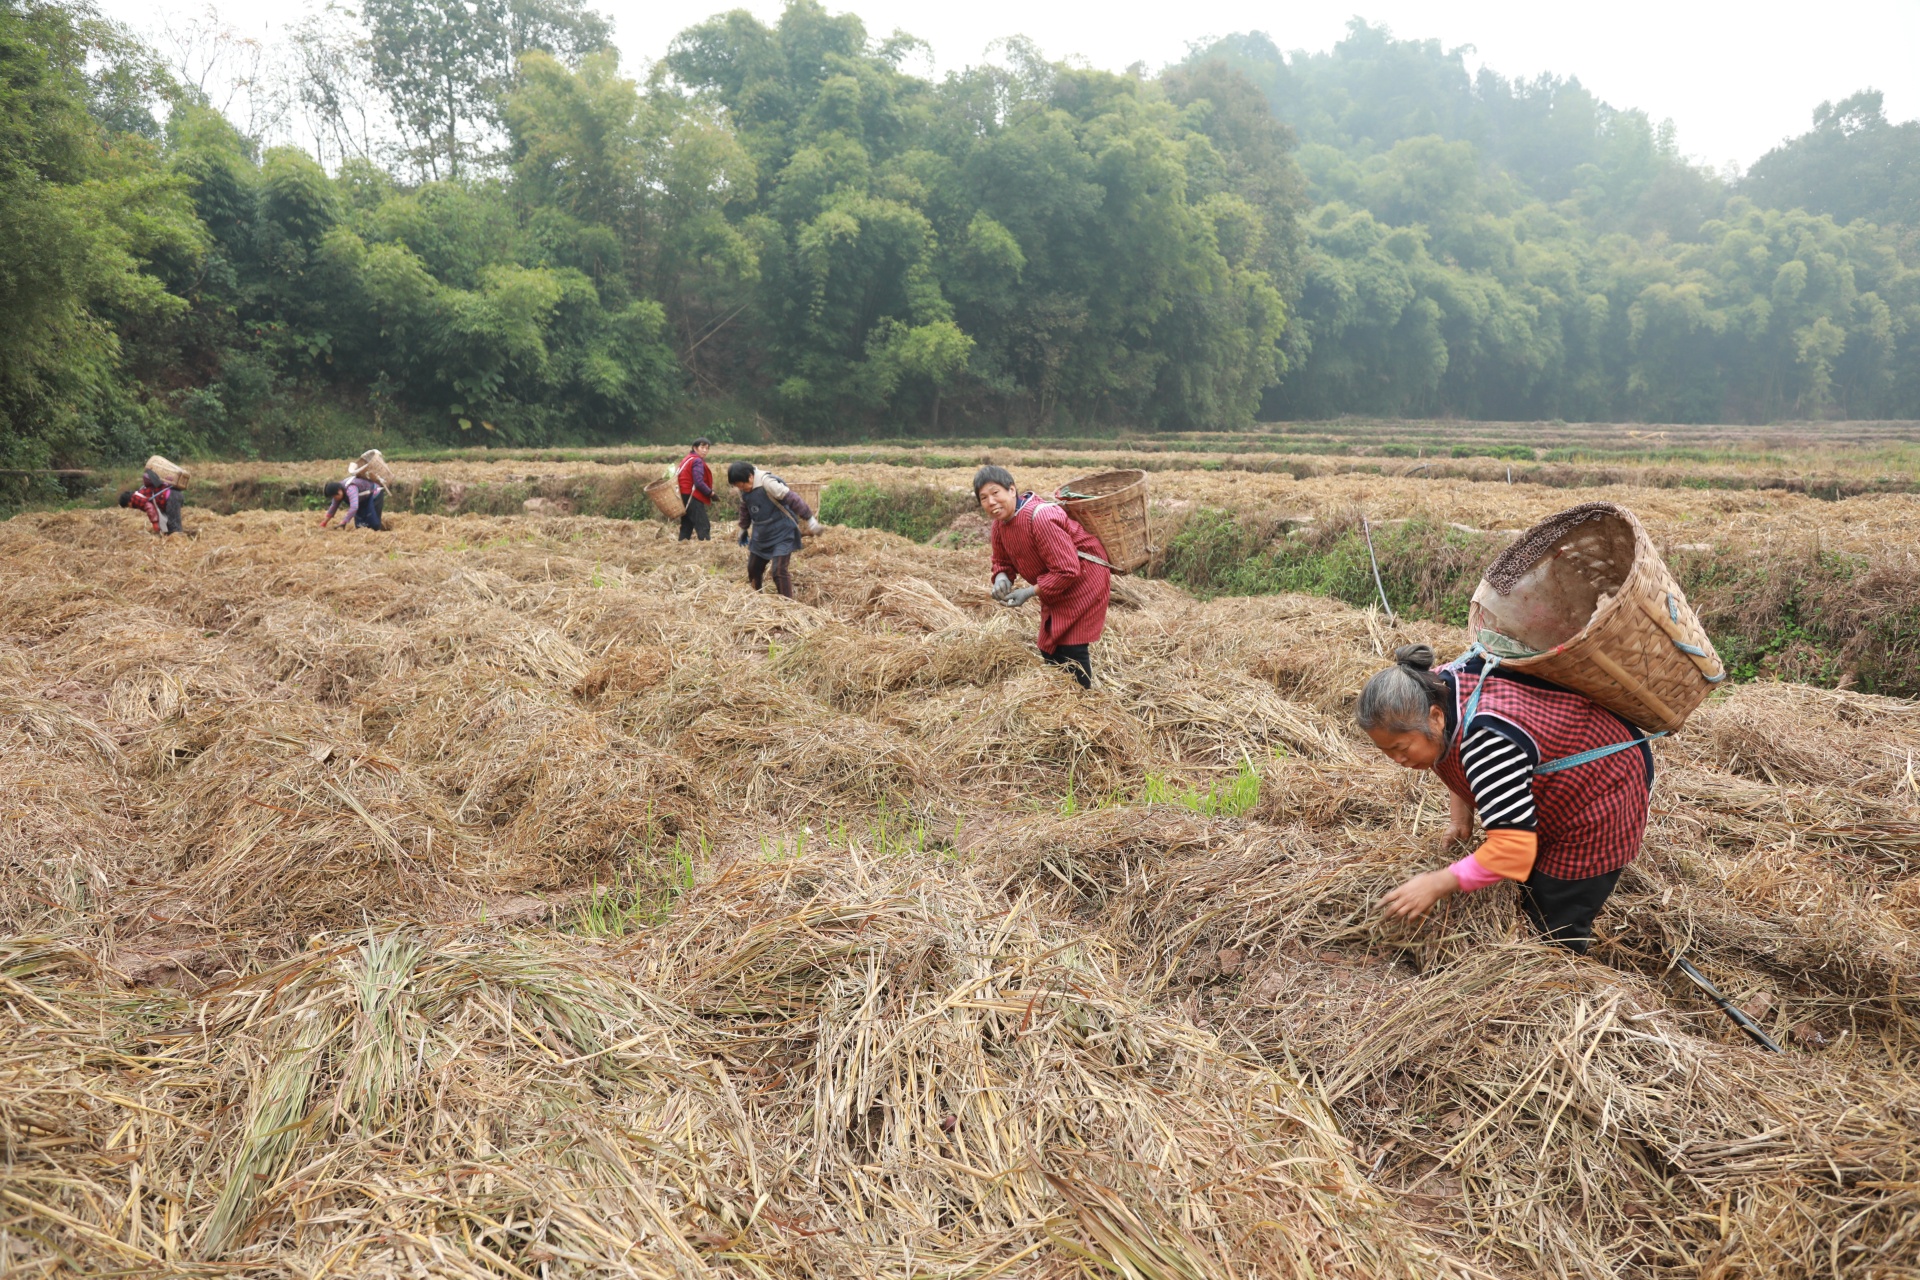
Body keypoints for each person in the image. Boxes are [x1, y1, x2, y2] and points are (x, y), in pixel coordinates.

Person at [1359, 644, 1654, 954]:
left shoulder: (1485, 741)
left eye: (1402, 748)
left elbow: (1513, 851)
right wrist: (1461, 816)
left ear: (1434, 718)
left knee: (1552, 919)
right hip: (1555, 775)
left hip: (1603, 791)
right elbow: (1447, 747)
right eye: (1386, 751)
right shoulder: (1427, 688)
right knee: (1525, 883)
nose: (1397, 759)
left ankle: (1563, 980)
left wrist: (1437, 883)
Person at [974, 464, 1111, 688]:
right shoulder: (1000, 525)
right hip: (1055, 580)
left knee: (1071, 646)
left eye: (995, 493)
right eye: (983, 498)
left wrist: (1029, 592)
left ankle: (1085, 701)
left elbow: (1067, 570)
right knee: (1048, 646)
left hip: (1084, 577)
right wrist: (1001, 578)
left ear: (1012, 490)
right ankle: (1061, 695)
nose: (991, 502)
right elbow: (1002, 561)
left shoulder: (1040, 518)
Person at [730, 461, 820, 599]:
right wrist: (743, 528)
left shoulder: (767, 483)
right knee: (753, 569)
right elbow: (745, 509)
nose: (743, 489)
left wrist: (809, 519)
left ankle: (787, 606)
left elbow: (792, 499)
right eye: (739, 487)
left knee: (778, 571)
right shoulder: (744, 491)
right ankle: (757, 599)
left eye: (743, 485)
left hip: (783, 532)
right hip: (762, 534)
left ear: (750, 477)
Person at [676, 437, 716, 541]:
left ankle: (681, 547)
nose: (705, 450)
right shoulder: (697, 461)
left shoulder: (687, 459)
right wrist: (711, 493)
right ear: (695, 448)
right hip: (692, 496)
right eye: (702, 447)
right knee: (703, 525)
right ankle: (706, 548)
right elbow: (698, 482)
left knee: (687, 524)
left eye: (707, 448)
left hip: (683, 495)